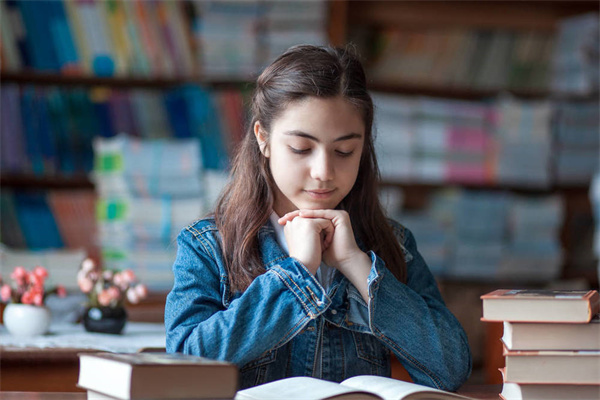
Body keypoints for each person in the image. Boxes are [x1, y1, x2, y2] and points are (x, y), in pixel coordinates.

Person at [164, 45, 472, 391]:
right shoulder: (208, 245)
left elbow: (450, 368)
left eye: (344, 151)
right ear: (263, 138)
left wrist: (356, 264)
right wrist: (296, 272)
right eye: (301, 149)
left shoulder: (394, 244)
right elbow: (184, 364)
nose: (324, 172)